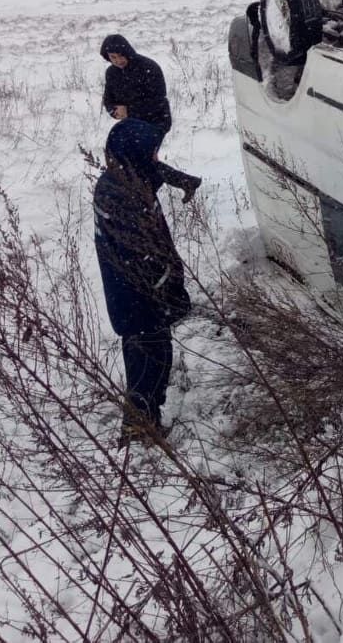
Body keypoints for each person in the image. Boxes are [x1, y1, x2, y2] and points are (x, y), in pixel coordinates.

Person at [93, 118, 193, 445]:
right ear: (135, 155)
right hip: (138, 299)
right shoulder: (122, 196)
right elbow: (146, 255)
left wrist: (180, 179)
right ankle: (138, 429)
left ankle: (144, 419)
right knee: (149, 364)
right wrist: (170, 287)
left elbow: (152, 172)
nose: (155, 159)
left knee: (155, 355)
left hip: (140, 298)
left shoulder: (123, 178)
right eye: (151, 153)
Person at [99, 34, 201, 201]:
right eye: (112, 57)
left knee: (144, 161)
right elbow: (108, 100)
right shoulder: (111, 73)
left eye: (120, 56)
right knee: (134, 161)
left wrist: (129, 111)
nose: (117, 60)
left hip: (156, 121)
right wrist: (114, 111)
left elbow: (157, 102)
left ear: (127, 51)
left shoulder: (148, 67)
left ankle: (146, 197)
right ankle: (183, 183)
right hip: (130, 125)